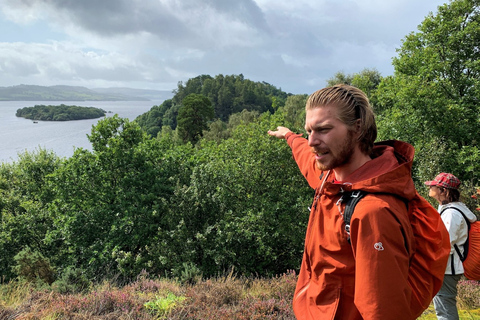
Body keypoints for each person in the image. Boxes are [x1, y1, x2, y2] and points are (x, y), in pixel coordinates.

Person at [267, 84, 448, 320]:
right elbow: (306, 158)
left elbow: (383, 311)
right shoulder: (331, 179)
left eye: (323, 129)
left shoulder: (372, 212)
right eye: (309, 131)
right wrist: (291, 137)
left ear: (358, 127)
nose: (312, 141)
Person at [425, 172, 477, 320]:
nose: (430, 187)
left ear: (444, 191)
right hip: (447, 266)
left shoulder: (452, 214)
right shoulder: (450, 210)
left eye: (434, 186)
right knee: (443, 307)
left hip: (447, 268)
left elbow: (444, 243)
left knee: (445, 309)